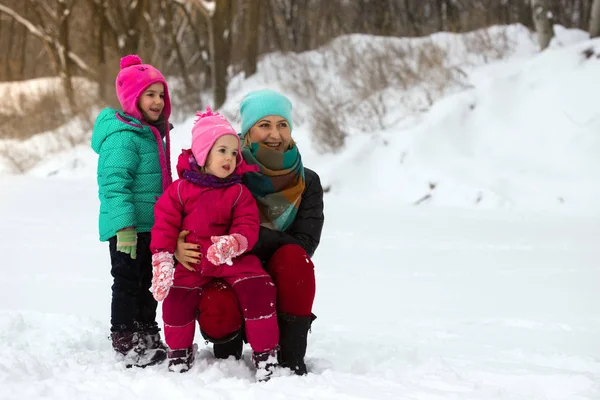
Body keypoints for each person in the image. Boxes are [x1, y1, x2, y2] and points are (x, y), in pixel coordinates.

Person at [175, 89, 324, 375]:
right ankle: (228, 357)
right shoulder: (224, 172)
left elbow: (305, 243)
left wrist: (246, 239)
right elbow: (183, 215)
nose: (275, 134)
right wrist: (177, 245)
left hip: (279, 273)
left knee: (295, 259)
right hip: (227, 271)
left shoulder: (308, 181)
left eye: (282, 124)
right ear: (247, 132)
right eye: (264, 125)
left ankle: (290, 358)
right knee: (218, 302)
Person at [149, 107, 279, 380]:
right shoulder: (180, 190)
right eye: (222, 151)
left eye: (234, 153)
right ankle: (179, 352)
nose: (230, 158)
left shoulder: (238, 191)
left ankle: (265, 354)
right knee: (176, 297)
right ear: (203, 153)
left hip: (232, 260)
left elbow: (248, 225)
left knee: (259, 288)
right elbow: (164, 224)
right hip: (193, 259)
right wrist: (163, 258)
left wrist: (234, 243)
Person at [91, 54, 172, 368]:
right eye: (149, 94)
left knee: (149, 281)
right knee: (127, 281)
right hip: (128, 228)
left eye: (161, 94)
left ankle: (147, 331)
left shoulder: (152, 135)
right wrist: (123, 225)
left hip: (153, 226)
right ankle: (125, 338)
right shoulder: (124, 137)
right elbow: (113, 184)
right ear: (131, 98)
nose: (157, 101)